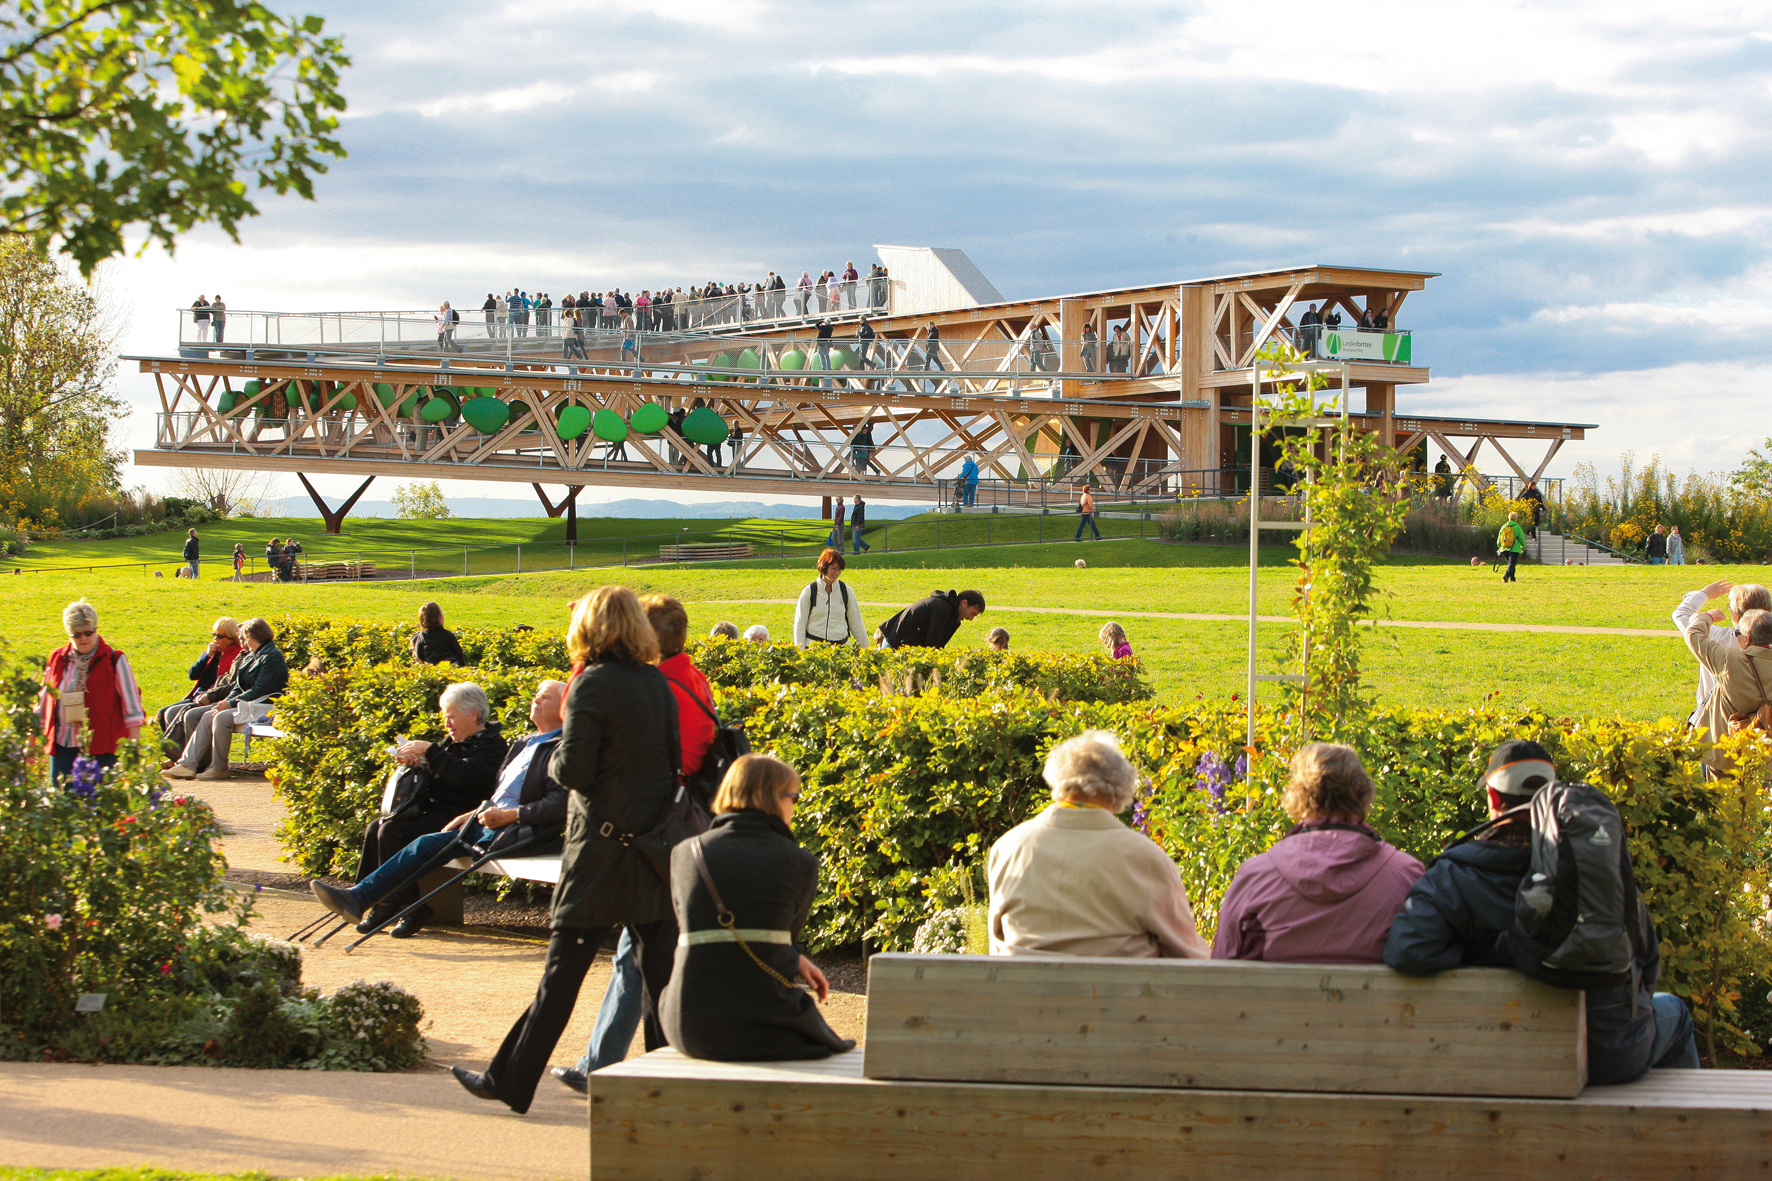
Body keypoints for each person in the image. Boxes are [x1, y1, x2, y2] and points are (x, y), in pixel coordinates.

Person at [453, 586, 682, 1115]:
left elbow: (573, 771)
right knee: (660, 982)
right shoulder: (657, 683)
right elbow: (668, 764)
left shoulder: (591, 684)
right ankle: (668, 1089)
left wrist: (556, 765)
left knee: (563, 975)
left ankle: (510, 1079)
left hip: (599, 851)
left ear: (592, 628)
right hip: (648, 851)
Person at [1385, 741, 1699, 1084]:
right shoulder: (1595, 865)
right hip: (1609, 1053)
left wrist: (1487, 952)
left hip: (1500, 1057)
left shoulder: (1453, 876)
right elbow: (1645, 958)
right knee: (1675, 1013)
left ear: (1492, 798)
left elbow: (1408, 950)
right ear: (1553, 795)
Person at [555, 595, 720, 1092]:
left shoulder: (654, 685)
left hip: (652, 831)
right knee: (640, 953)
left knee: (638, 956)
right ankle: (607, 1063)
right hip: (682, 824)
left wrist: (586, 658)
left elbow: (580, 734)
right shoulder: (687, 678)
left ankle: (610, 1067)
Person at [310, 681, 566, 939]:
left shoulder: (561, 747)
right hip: (480, 821)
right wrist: (427, 769)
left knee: (406, 837)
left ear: (563, 707)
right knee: (397, 833)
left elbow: (560, 802)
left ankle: (383, 903)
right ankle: (362, 898)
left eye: (544, 697)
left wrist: (509, 815)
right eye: (535, 695)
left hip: (513, 830)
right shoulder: (525, 742)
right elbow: (497, 793)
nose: (535, 700)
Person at [658, 754, 853, 1061]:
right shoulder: (799, 862)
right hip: (759, 1026)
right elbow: (782, 943)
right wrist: (795, 959)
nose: (795, 808)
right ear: (773, 798)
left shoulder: (685, 853)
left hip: (687, 1025)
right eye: (794, 798)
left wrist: (794, 959)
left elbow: (700, 931)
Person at [989, 731, 1208, 958]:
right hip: (1118, 992)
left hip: (1022, 991)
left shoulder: (1007, 848)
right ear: (1123, 786)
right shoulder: (1144, 856)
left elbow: (996, 945)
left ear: (1056, 779)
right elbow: (1187, 953)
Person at [1213, 743, 1423, 963]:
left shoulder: (1255, 878)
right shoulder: (1406, 876)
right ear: (1364, 793)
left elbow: (1221, 965)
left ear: (1298, 796)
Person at [163, 616, 286, 781]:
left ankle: (219, 768)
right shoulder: (251, 655)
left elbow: (261, 689)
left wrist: (230, 703)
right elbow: (238, 686)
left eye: (244, 637)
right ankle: (188, 765)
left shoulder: (272, 656)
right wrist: (225, 702)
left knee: (220, 717)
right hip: (247, 704)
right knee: (210, 714)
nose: (242, 641)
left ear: (252, 636)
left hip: (264, 706)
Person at [41, 600, 146, 783]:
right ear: (69, 634)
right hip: (63, 743)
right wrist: (33, 737)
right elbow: (44, 700)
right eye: (77, 634)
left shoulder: (114, 660)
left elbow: (132, 708)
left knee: (100, 805)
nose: (83, 638)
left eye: (88, 632)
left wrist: (134, 747)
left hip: (101, 746)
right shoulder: (57, 658)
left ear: (96, 629)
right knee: (62, 803)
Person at [1680, 584, 1772, 777]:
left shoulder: (1728, 659)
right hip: (1766, 757)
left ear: (1746, 638)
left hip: (1725, 752)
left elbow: (1693, 634)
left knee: (1721, 804)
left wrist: (1707, 616)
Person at [1672, 582, 1769, 728]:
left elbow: (1681, 616)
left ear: (1736, 614)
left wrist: (1704, 599)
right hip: (1762, 723)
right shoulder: (1767, 645)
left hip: (1714, 721)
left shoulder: (1717, 637)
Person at [156, 617, 242, 744]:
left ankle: (183, 756)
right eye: (214, 635)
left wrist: (209, 695)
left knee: (174, 713)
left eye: (219, 636)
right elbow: (193, 674)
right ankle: (177, 755)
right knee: (162, 714)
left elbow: (231, 683)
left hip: (214, 697)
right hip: (198, 694)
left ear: (231, 639)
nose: (215, 639)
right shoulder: (212, 652)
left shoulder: (237, 654)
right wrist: (206, 656)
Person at [794, 548, 868, 648]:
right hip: (814, 649)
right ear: (823, 568)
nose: (837, 573)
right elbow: (800, 625)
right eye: (833, 568)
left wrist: (869, 652)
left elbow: (857, 625)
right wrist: (800, 653)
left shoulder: (846, 591)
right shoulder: (810, 591)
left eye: (839, 569)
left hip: (840, 650)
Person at [876, 589, 985, 650]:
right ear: (964, 603)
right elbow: (931, 646)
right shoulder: (942, 609)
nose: (971, 619)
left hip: (903, 647)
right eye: (972, 614)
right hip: (894, 645)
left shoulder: (953, 618)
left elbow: (938, 647)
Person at [1497, 511, 1526, 582]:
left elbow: (1499, 538)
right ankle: (1506, 576)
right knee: (1512, 564)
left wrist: (1499, 547)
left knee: (1511, 564)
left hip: (1504, 548)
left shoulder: (1504, 526)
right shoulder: (1517, 527)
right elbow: (1521, 538)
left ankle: (1512, 578)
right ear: (1516, 518)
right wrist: (1523, 547)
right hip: (1514, 548)